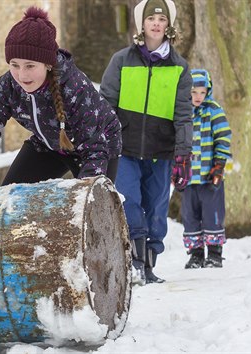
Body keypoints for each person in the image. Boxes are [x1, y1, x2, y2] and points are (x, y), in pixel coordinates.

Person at [0, 6, 122, 190]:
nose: (21, 75)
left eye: (30, 66)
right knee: (11, 199)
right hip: (48, 143)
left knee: (94, 205)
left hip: (97, 144)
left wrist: (90, 192)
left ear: (48, 64)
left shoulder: (74, 87)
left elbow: (94, 147)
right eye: (14, 65)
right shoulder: (8, 86)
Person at [100, 0, 193, 285]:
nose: (156, 23)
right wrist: (103, 140)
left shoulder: (179, 67)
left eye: (161, 19)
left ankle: (150, 264)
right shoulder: (121, 60)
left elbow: (183, 113)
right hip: (124, 148)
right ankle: (135, 263)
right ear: (142, 23)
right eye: (151, 18)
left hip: (161, 151)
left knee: (156, 208)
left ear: (169, 25)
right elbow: (105, 102)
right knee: (129, 201)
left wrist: (183, 154)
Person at [182, 69, 232, 269]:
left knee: (212, 214)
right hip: (187, 177)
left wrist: (219, 165)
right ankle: (195, 254)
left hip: (209, 177)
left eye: (202, 92)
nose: (198, 97)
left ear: (208, 92)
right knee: (190, 216)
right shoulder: (182, 111)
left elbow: (223, 138)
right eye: (194, 92)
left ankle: (214, 253)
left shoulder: (214, 111)